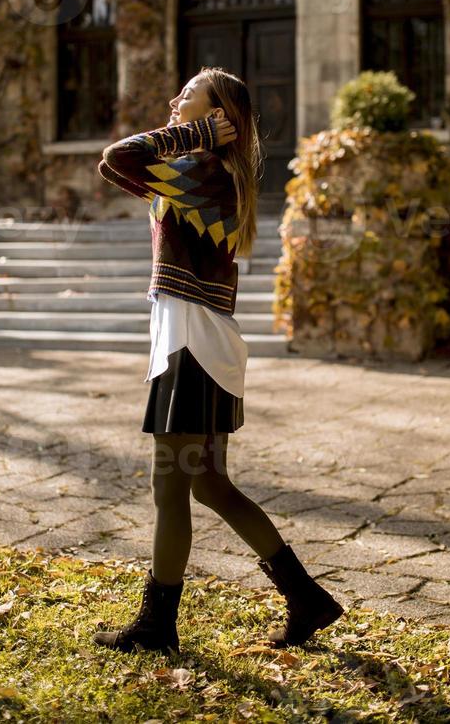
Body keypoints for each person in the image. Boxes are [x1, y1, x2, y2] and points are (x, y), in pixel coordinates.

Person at [93, 66, 343, 654]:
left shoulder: (205, 172)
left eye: (191, 96)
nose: (177, 99)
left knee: (171, 489)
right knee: (207, 484)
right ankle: (307, 598)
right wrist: (196, 132)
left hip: (192, 352)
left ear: (219, 115)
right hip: (194, 346)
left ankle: (156, 626)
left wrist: (198, 135)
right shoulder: (193, 174)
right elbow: (115, 168)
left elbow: (117, 153)